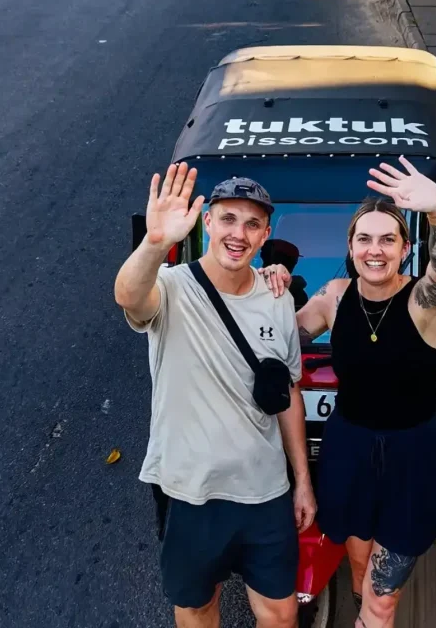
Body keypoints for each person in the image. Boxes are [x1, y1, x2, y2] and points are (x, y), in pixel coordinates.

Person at [114, 163, 317, 628]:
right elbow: (128, 296)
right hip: (192, 492)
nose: (238, 234)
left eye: (252, 224)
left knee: (281, 613)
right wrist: (154, 243)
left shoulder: (277, 297)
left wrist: (302, 480)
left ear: (265, 235)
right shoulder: (170, 287)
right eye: (227, 218)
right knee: (197, 608)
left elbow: (287, 392)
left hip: (265, 490)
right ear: (207, 222)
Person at [260, 156, 436, 628]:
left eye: (388, 239)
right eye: (364, 239)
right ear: (350, 247)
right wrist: (267, 286)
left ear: (405, 249)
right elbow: (276, 340)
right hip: (349, 450)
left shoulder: (424, 301)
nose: (375, 250)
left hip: (411, 458)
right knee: (359, 570)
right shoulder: (334, 296)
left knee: (381, 599)